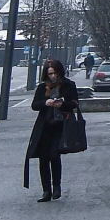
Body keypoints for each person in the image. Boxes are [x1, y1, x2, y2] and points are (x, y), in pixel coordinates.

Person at [24, 58, 80, 202]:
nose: (53, 76)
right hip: (44, 125)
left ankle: (56, 186)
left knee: (54, 155)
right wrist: (45, 102)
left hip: (61, 125)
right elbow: (34, 105)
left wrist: (61, 105)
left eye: (55, 73)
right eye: (50, 74)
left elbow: (74, 103)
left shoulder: (68, 85)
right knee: (43, 158)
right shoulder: (43, 88)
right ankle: (46, 190)